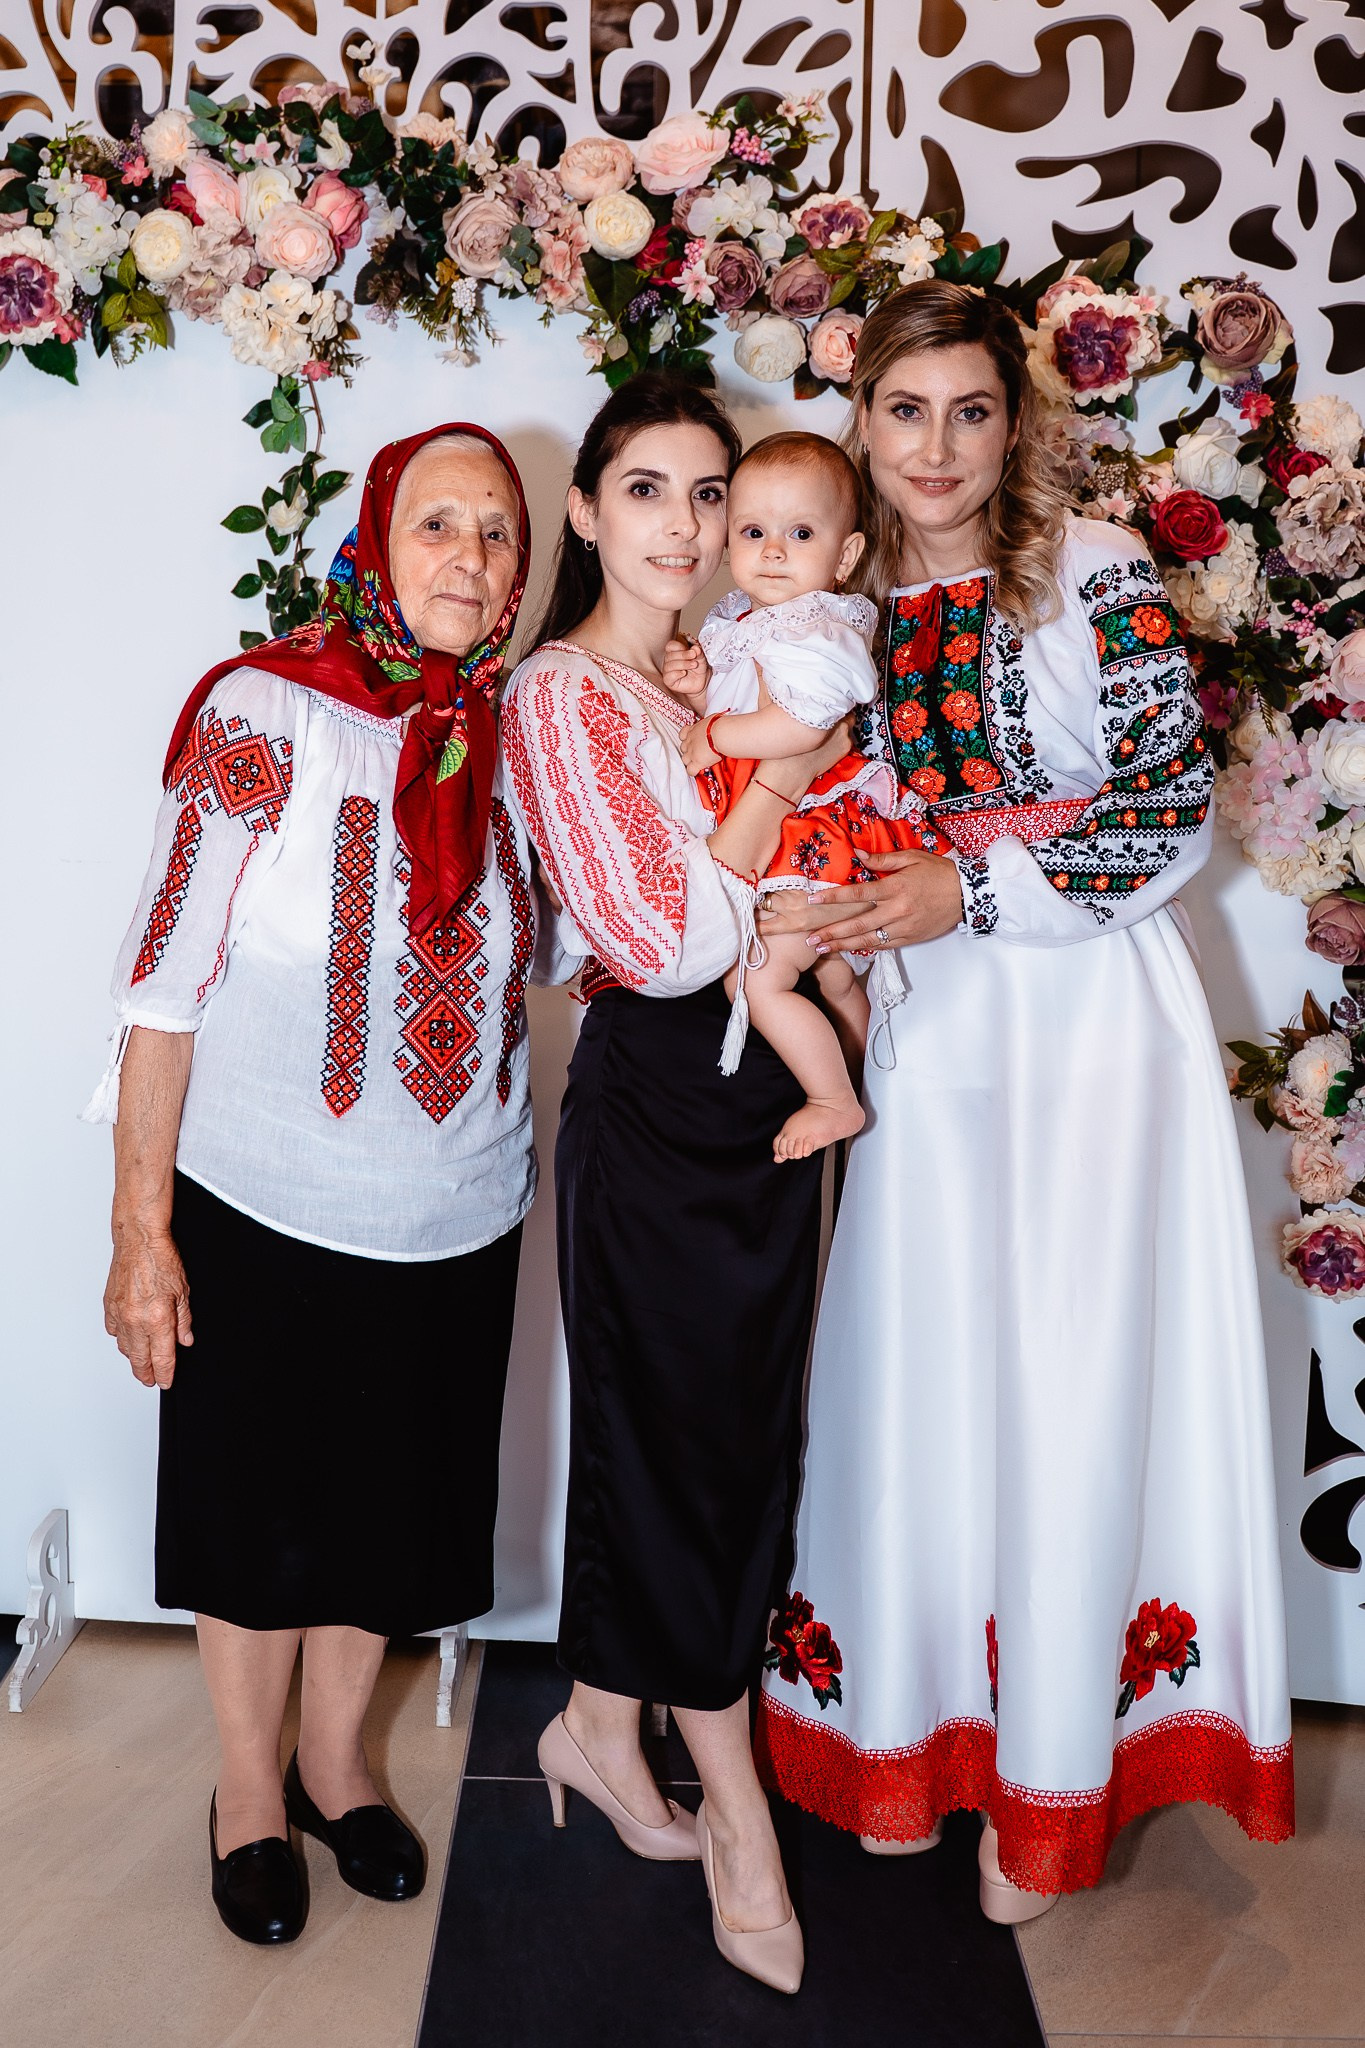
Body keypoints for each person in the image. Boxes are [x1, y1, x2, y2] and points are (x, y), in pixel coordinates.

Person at [752, 282, 1295, 1920]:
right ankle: (912, 1733)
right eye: (905, 411)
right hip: (928, 1027)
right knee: (922, 1362)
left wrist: (972, 891)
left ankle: (1049, 1778)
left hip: (1090, 1019)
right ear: (862, 423)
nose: (936, 447)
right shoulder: (834, 601)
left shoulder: (1096, 569)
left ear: (1018, 421)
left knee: (1070, 1363)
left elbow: (1171, 802)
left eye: (971, 411)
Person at [91, 424, 542, 1945]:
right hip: (264, 1198)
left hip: (456, 1209)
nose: (469, 555)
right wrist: (139, 1231)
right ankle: (247, 1791)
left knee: (386, 1513)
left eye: (497, 529)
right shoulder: (265, 707)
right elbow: (161, 982)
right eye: (438, 522)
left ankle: (340, 1766)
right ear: (375, 542)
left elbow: (565, 948)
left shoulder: (519, 733)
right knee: (256, 1513)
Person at [501, 374, 848, 1995]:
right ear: (585, 509)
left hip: (764, 1105)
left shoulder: (728, 673)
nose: (688, 526)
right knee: (684, 1452)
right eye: (648, 488)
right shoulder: (564, 696)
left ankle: (594, 1722)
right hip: (657, 1110)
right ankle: (739, 1820)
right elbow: (664, 942)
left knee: (734, 1440)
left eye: (712, 493)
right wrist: (778, 787)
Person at [672, 430, 948, 1160]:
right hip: (804, 829)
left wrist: (715, 732)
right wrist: (702, 689)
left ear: (845, 556)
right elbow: (753, 700)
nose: (772, 552)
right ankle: (863, 1078)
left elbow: (800, 726)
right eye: (753, 532)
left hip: (816, 833)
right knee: (831, 973)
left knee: (756, 979)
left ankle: (832, 1100)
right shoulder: (752, 621)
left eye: (799, 534)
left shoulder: (816, 629)